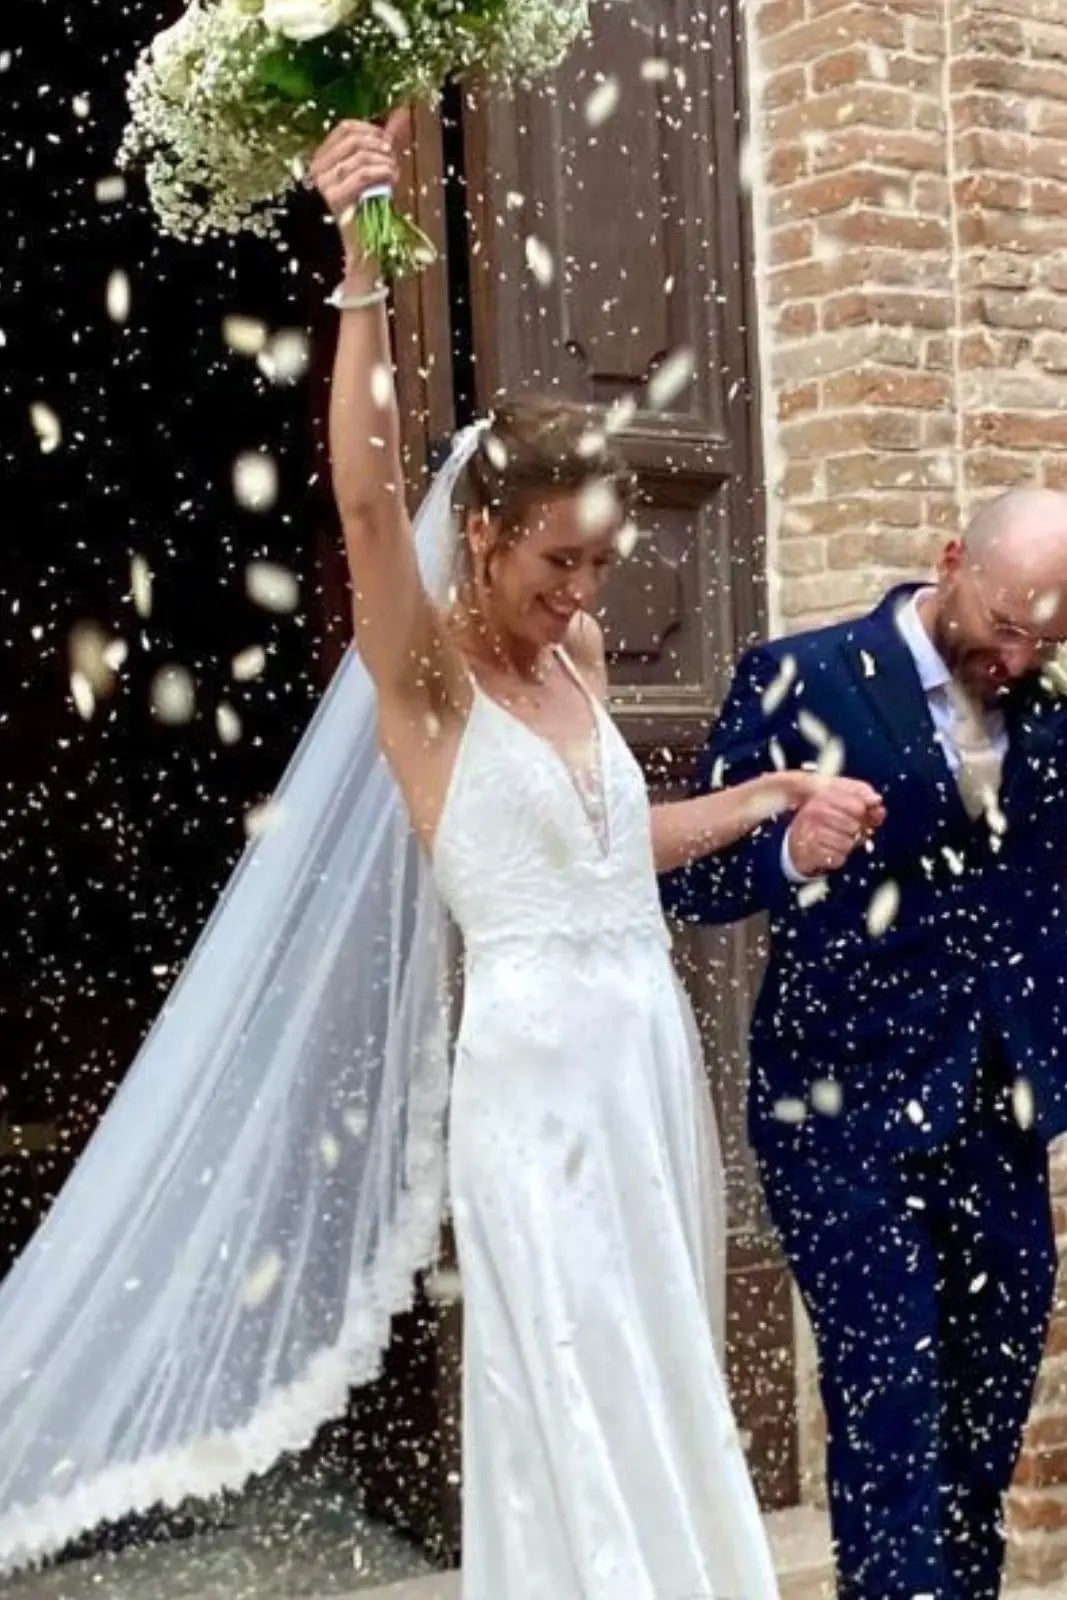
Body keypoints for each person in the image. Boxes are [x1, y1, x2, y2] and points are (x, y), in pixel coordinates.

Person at [307, 117, 883, 1599]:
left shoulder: (577, 659)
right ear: (483, 535)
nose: (580, 591)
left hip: (638, 1054)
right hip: (535, 1077)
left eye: (599, 562)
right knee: (568, 1375)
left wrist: (763, 797)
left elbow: (607, 858)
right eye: (555, 559)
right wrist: (361, 270)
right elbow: (365, 499)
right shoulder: (424, 683)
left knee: (655, 1362)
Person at [664, 488, 1067, 1600]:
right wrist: (788, 851)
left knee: (982, 1428)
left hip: (997, 1119)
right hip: (841, 1123)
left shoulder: (1046, 700)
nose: (1016, 659)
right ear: (952, 561)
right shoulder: (802, 676)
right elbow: (691, 880)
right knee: (888, 1418)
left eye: (1045, 639)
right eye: (1004, 625)